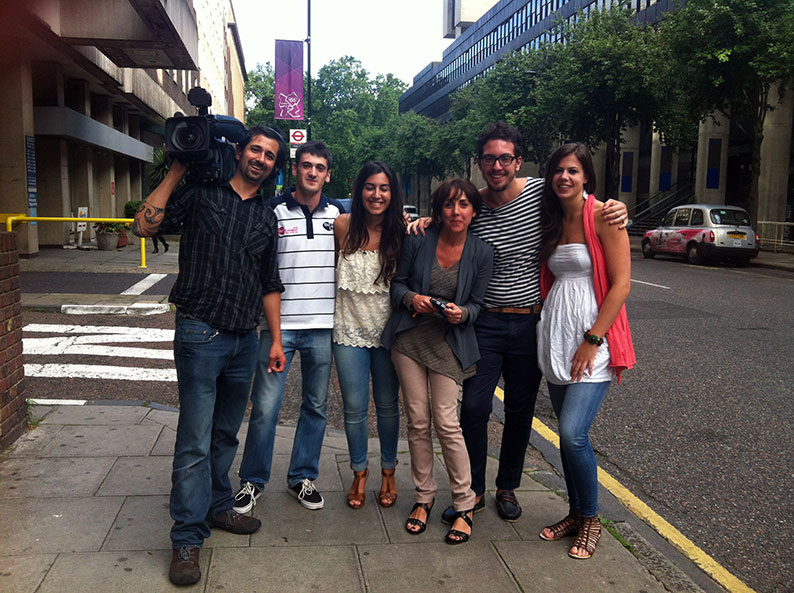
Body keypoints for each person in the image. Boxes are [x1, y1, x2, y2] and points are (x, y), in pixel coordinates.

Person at [409, 122, 628, 526]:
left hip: (531, 324)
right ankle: (472, 491)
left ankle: (507, 485)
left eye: (505, 158)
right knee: (473, 407)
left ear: (518, 161)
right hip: (484, 324)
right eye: (490, 158)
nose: (497, 165)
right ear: (480, 163)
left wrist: (616, 208)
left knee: (520, 411)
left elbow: (579, 195)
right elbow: (449, 221)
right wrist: (426, 221)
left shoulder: (541, 193)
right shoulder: (472, 203)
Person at [132, 124, 287, 586]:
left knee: (225, 434)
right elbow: (145, 225)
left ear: (275, 166)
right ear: (240, 152)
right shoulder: (201, 193)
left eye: (270, 156)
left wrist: (274, 339)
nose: (260, 159)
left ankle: (219, 507)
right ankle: (186, 537)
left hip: (245, 339)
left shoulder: (267, 215)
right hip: (200, 332)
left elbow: (270, 282)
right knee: (195, 441)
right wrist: (177, 169)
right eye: (255, 150)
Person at [234, 140, 346, 514]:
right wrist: (272, 330)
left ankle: (302, 477)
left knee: (316, 406)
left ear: (328, 174)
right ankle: (252, 481)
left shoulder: (340, 217)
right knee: (266, 407)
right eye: (307, 165)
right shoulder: (273, 211)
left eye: (320, 167)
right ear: (295, 170)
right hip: (278, 328)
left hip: (322, 327)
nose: (313, 172)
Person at [536, 142, 635, 559]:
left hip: (592, 341)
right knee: (565, 435)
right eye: (558, 170)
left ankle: (592, 519)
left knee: (573, 434)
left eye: (573, 171)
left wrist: (592, 340)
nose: (564, 177)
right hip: (557, 338)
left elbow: (622, 284)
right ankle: (575, 513)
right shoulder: (552, 218)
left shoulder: (604, 215)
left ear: (586, 177)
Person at [382, 178, 493, 545]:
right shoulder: (419, 239)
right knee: (417, 420)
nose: (456, 212)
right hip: (410, 340)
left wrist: (464, 313)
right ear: (439, 210)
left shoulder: (481, 252)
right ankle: (423, 497)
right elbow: (397, 285)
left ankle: (464, 504)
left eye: (463, 205)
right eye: (448, 204)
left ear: (474, 211)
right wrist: (413, 299)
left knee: (447, 422)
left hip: (450, 342)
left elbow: (478, 304)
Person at [332, 161, 405, 509]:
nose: (377, 195)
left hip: (390, 334)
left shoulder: (403, 230)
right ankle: (359, 472)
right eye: (370, 187)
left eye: (384, 188)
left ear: (393, 193)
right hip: (347, 329)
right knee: (354, 408)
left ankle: (388, 471)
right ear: (359, 190)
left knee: (389, 407)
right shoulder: (343, 225)